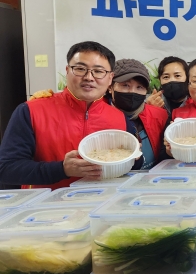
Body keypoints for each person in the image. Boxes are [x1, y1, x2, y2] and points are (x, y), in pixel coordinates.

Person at [0, 41, 136, 189]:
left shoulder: (120, 119)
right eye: (80, 69)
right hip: (48, 202)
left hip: (103, 200)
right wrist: (62, 170)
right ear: (67, 71)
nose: (89, 77)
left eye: (98, 71)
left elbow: (134, 165)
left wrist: (134, 156)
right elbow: (6, 169)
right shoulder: (31, 111)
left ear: (110, 78)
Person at [109, 59, 168, 170]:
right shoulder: (99, 119)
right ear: (110, 87)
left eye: (139, 87)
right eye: (125, 85)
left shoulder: (159, 115)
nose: (132, 91)